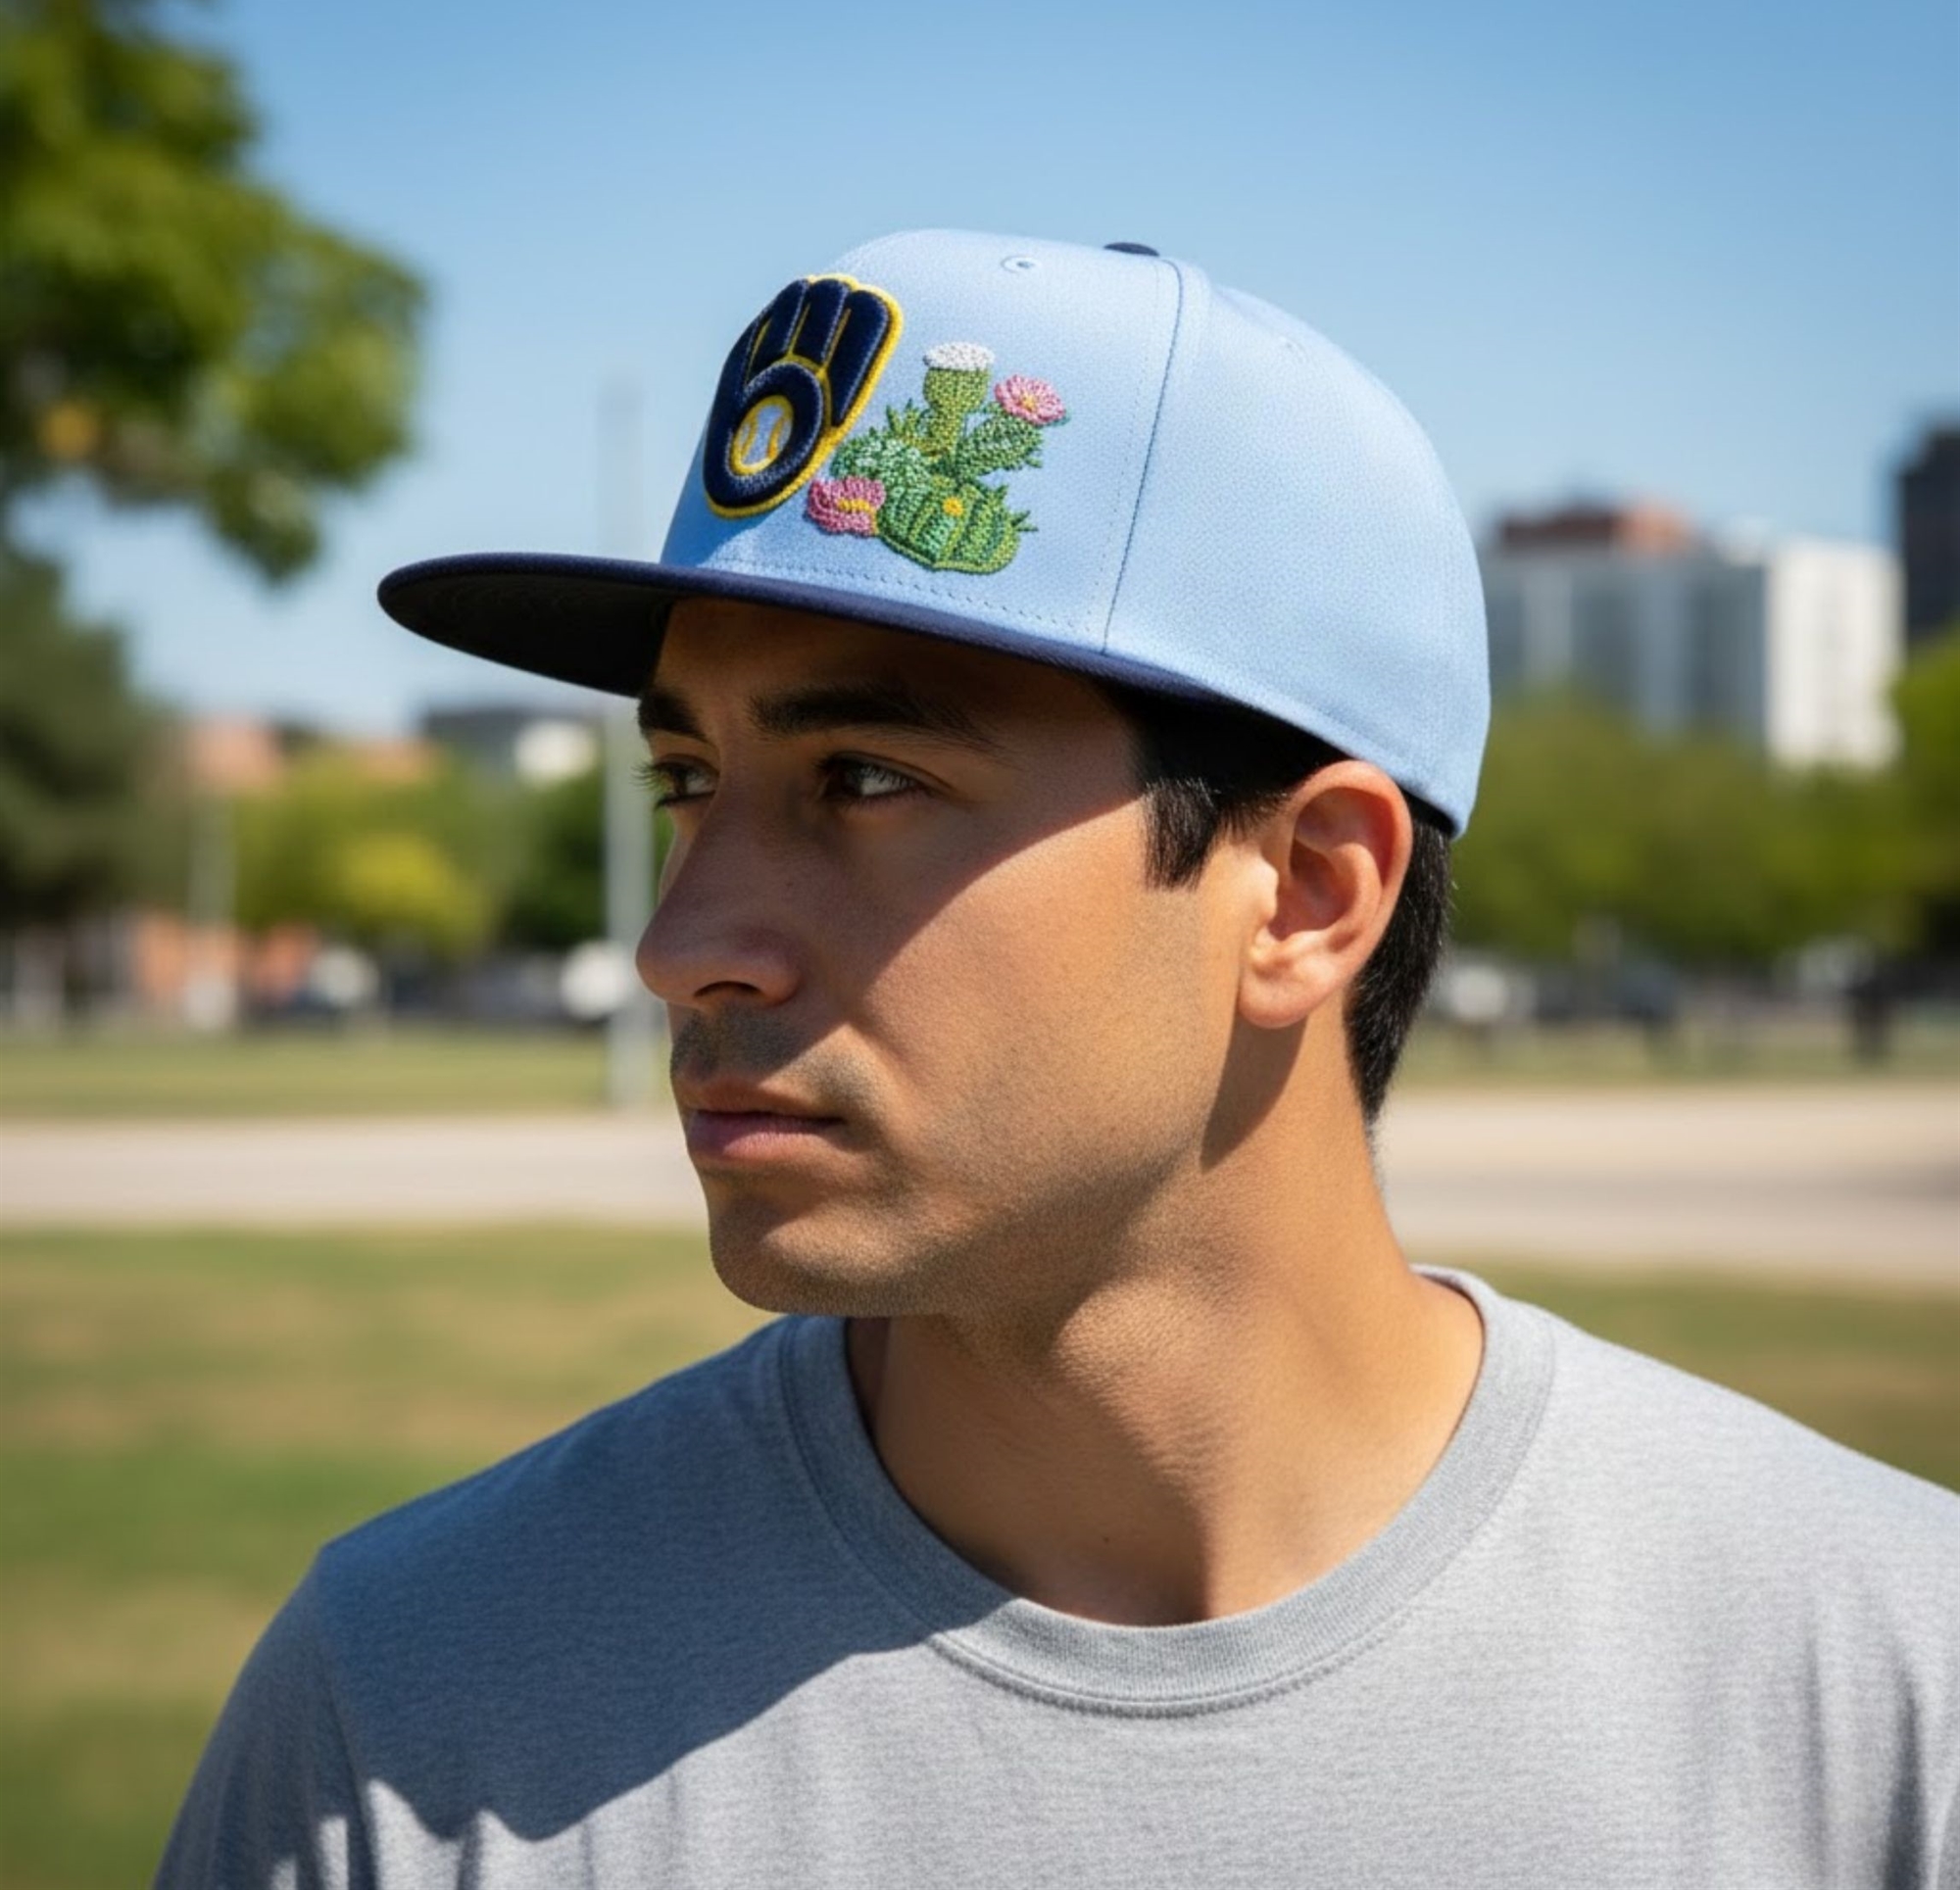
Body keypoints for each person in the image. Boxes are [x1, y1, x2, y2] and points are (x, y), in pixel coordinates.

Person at [158, 231, 1957, 1889]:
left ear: (1307, 895)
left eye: (867, 778)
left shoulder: (1882, 1696)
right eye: (687, 780)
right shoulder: (411, 1712)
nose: (681, 943)